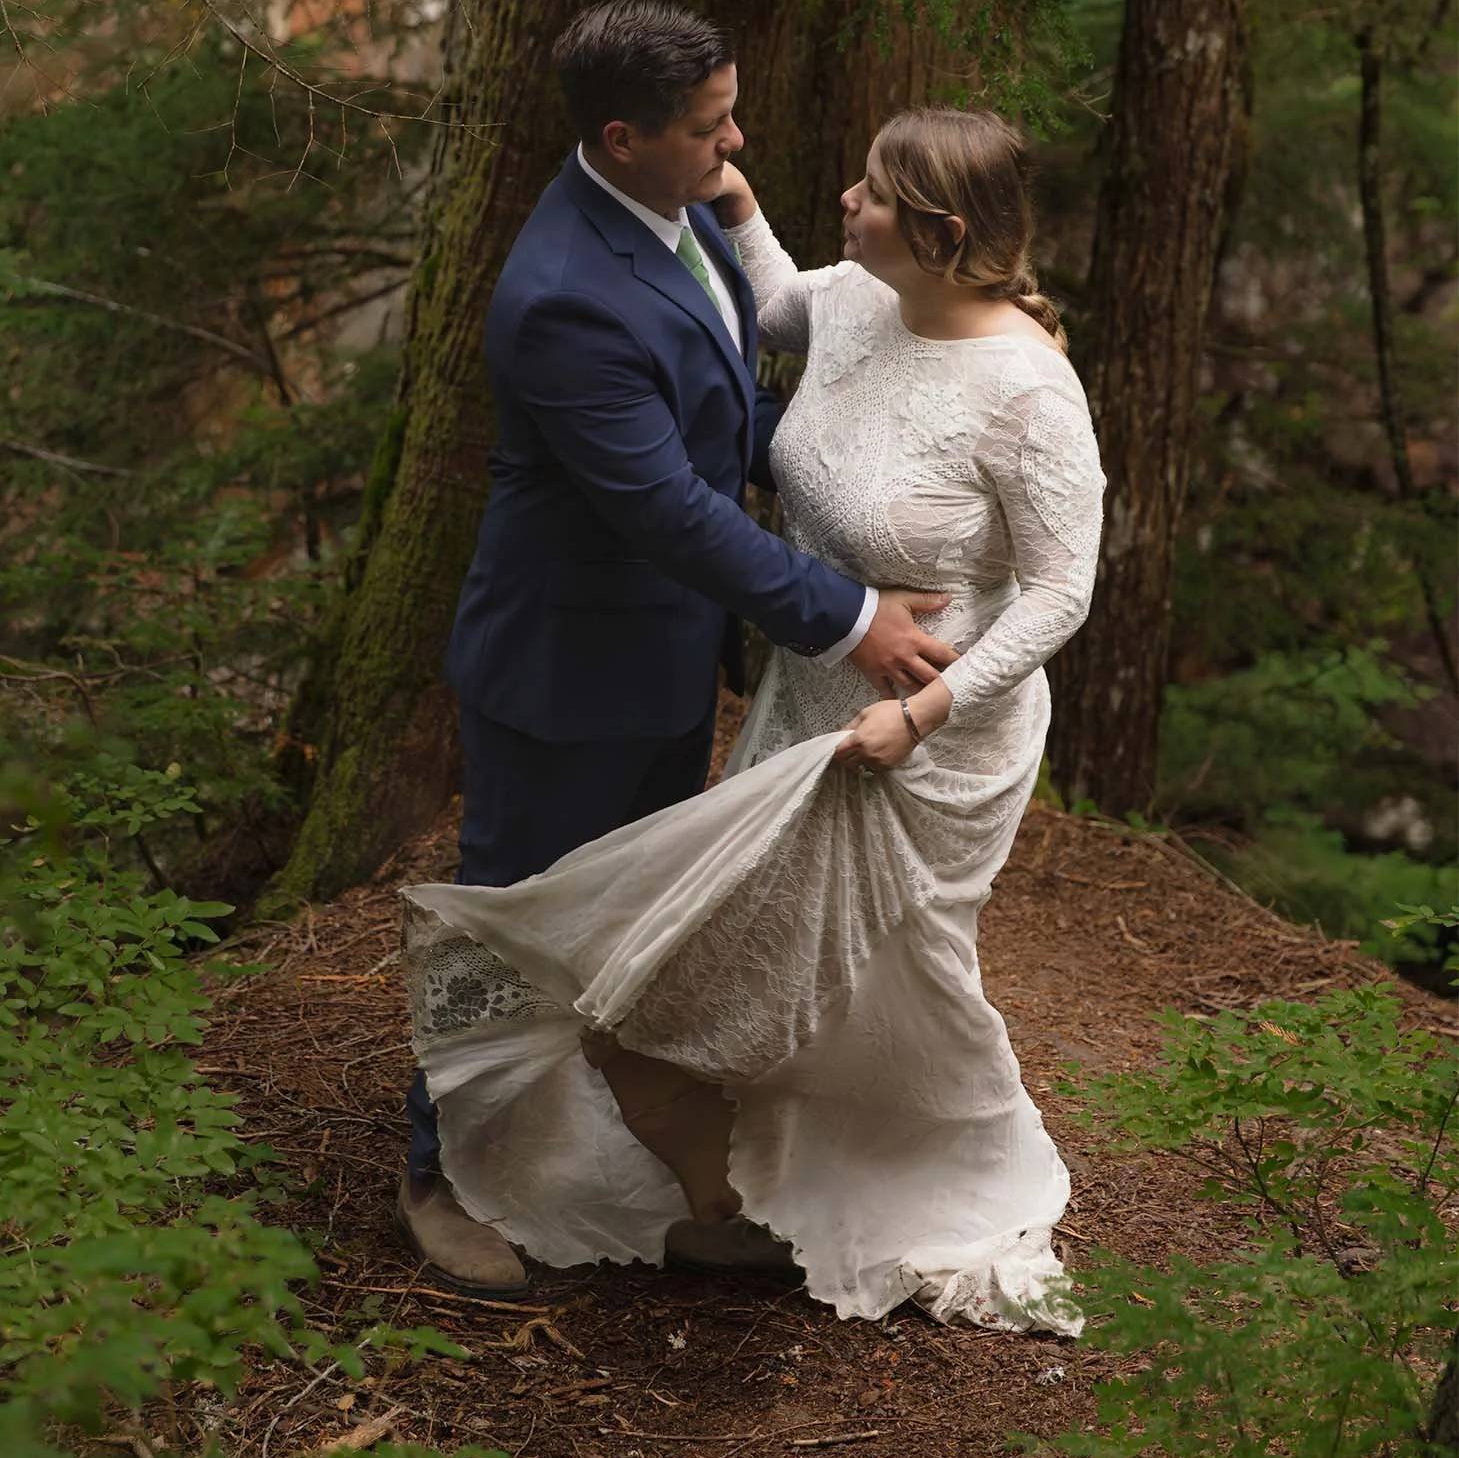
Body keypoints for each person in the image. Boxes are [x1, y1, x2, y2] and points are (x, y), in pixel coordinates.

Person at [404, 106, 1105, 1332]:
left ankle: (888, 1175)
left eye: (875, 193)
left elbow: (1061, 590)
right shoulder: (848, 298)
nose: (848, 197)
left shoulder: (1028, 392)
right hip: (809, 702)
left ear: (936, 232)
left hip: (929, 740)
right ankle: (740, 1179)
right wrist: (735, 208)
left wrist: (929, 709)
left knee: (890, 978)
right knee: (755, 953)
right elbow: (778, 303)